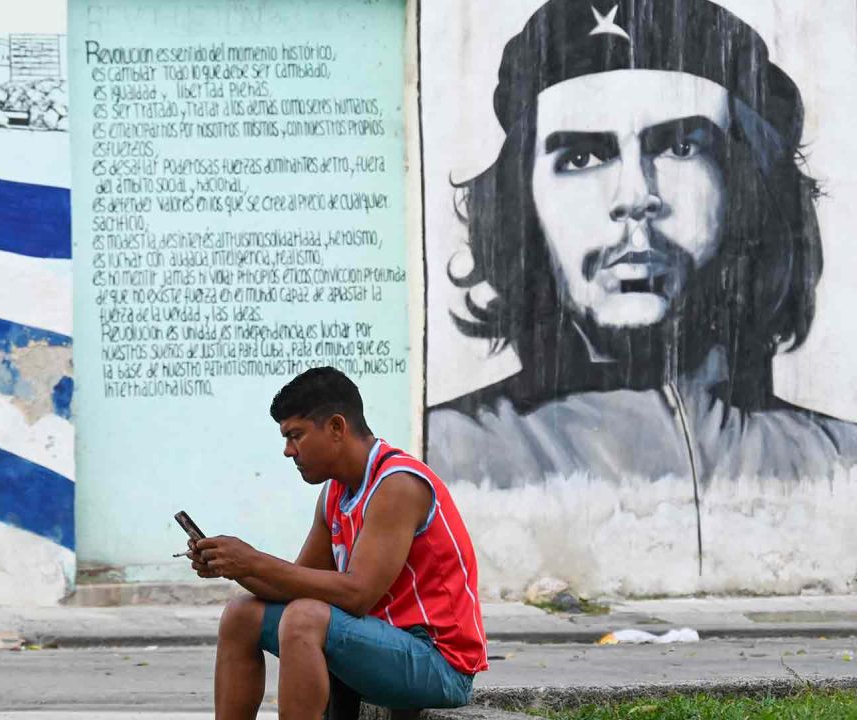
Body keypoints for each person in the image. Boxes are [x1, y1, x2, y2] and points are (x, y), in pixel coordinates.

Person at [425, 0, 857, 486]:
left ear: (749, 187)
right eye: (583, 156)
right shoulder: (440, 460)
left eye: (680, 148)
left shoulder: (840, 464)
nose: (634, 196)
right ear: (521, 203)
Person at [192, 367, 486, 719]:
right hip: (382, 647)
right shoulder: (334, 492)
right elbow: (294, 583)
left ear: (336, 427)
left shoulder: (397, 485)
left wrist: (252, 562)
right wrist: (232, 566)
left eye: (295, 435)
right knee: (242, 614)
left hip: (439, 664)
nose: (288, 451)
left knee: (305, 618)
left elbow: (357, 595)